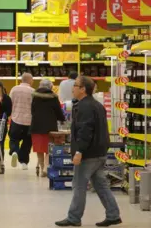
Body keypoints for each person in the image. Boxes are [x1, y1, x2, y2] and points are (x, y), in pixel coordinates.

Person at [56, 76, 121, 227]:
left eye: (76, 86)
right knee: (101, 185)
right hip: (99, 152)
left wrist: (79, 151)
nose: (73, 88)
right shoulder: (97, 105)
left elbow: (85, 131)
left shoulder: (84, 107)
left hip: (88, 154)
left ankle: (74, 218)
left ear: (83, 89)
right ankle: (113, 214)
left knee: (79, 186)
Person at [30, 79, 65, 177]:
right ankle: (46, 167)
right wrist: (62, 118)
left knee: (39, 149)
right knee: (49, 148)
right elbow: (58, 111)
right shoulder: (53, 97)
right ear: (50, 87)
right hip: (50, 126)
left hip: (36, 125)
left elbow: (32, 110)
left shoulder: (35, 96)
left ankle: (42, 169)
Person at [9, 73, 34, 170]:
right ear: (30, 80)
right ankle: (24, 162)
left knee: (14, 138)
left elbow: (10, 103)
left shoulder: (14, 89)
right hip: (29, 121)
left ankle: (14, 151)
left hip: (16, 119)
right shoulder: (33, 91)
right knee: (27, 141)